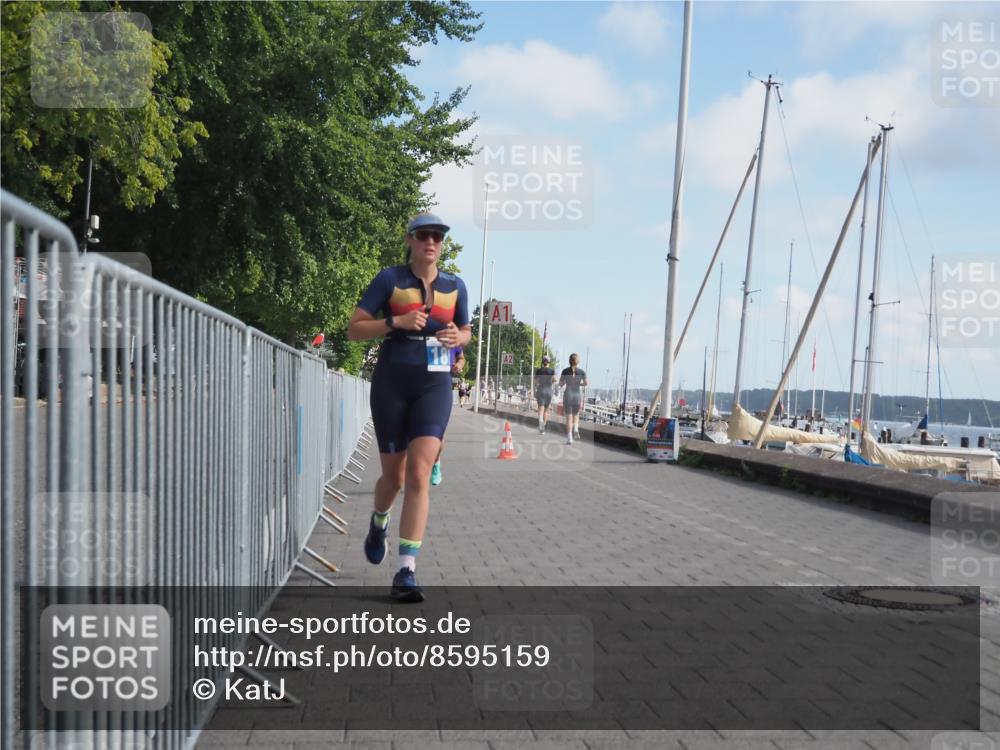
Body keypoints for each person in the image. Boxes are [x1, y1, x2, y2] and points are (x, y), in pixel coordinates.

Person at [347, 212, 471, 602]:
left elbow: (467, 331)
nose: (431, 242)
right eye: (423, 236)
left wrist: (458, 338)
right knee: (394, 480)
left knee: (418, 476)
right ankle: (378, 522)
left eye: (437, 236)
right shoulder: (390, 279)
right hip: (392, 384)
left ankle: (405, 571)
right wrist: (395, 322)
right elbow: (354, 328)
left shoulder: (455, 286)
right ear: (410, 240)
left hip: (434, 384)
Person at [430, 347, 465, 486]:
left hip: (439, 387)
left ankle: (436, 461)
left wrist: (459, 365)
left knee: (438, 434)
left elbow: (461, 356)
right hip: (411, 384)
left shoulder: (448, 329)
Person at [559, 353, 588, 444]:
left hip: (568, 394)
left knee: (569, 418)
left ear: (569, 361)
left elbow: (560, 384)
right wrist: (579, 384)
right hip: (577, 395)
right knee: (576, 415)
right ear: (577, 361)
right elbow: (586, 383)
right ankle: (575, 428)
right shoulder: (582, 372)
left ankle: (569, 438)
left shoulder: (565, 371)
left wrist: (562, 383)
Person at [534, 355, 556, 434]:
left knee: (540, 408)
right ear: (549, 362)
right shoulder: (552, 371)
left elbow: (535, 381)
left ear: (543, 362)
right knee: (546, 411)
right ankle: (543, 428)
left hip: (541, 390)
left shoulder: (538, 371)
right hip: (548, 391)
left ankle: (540, 420)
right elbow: (554, 380)